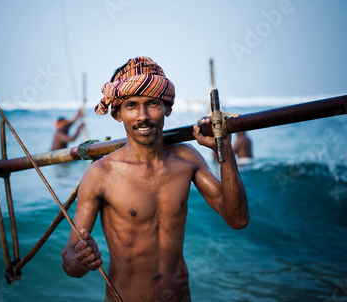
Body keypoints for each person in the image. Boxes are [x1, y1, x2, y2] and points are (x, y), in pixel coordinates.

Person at [61, 57, 249, 302]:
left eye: (152, 103)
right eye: (131, 106)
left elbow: (238, 219)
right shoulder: (101, 173)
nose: (143, 116)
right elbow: (69, 260)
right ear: (117, 114)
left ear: (167, 109)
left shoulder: (187, 159)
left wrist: (225, 151)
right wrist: (80, 261)